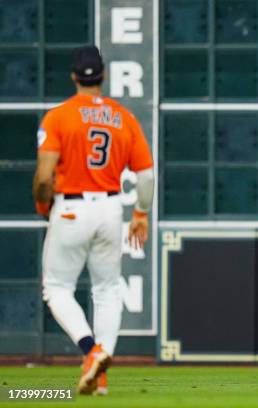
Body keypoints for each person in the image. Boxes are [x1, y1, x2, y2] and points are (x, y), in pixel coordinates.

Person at [32, 45, 154, 395]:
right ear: (104, 76)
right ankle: (99, 374)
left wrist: (44, 205)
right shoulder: (123, 117)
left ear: (74, 76)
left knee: (56, 288)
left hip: (71, 207)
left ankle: (92, 351)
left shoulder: (58, 117)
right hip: (110, 209)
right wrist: (141, 213)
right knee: (107, 290)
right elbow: (145, 176)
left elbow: (44, 176)